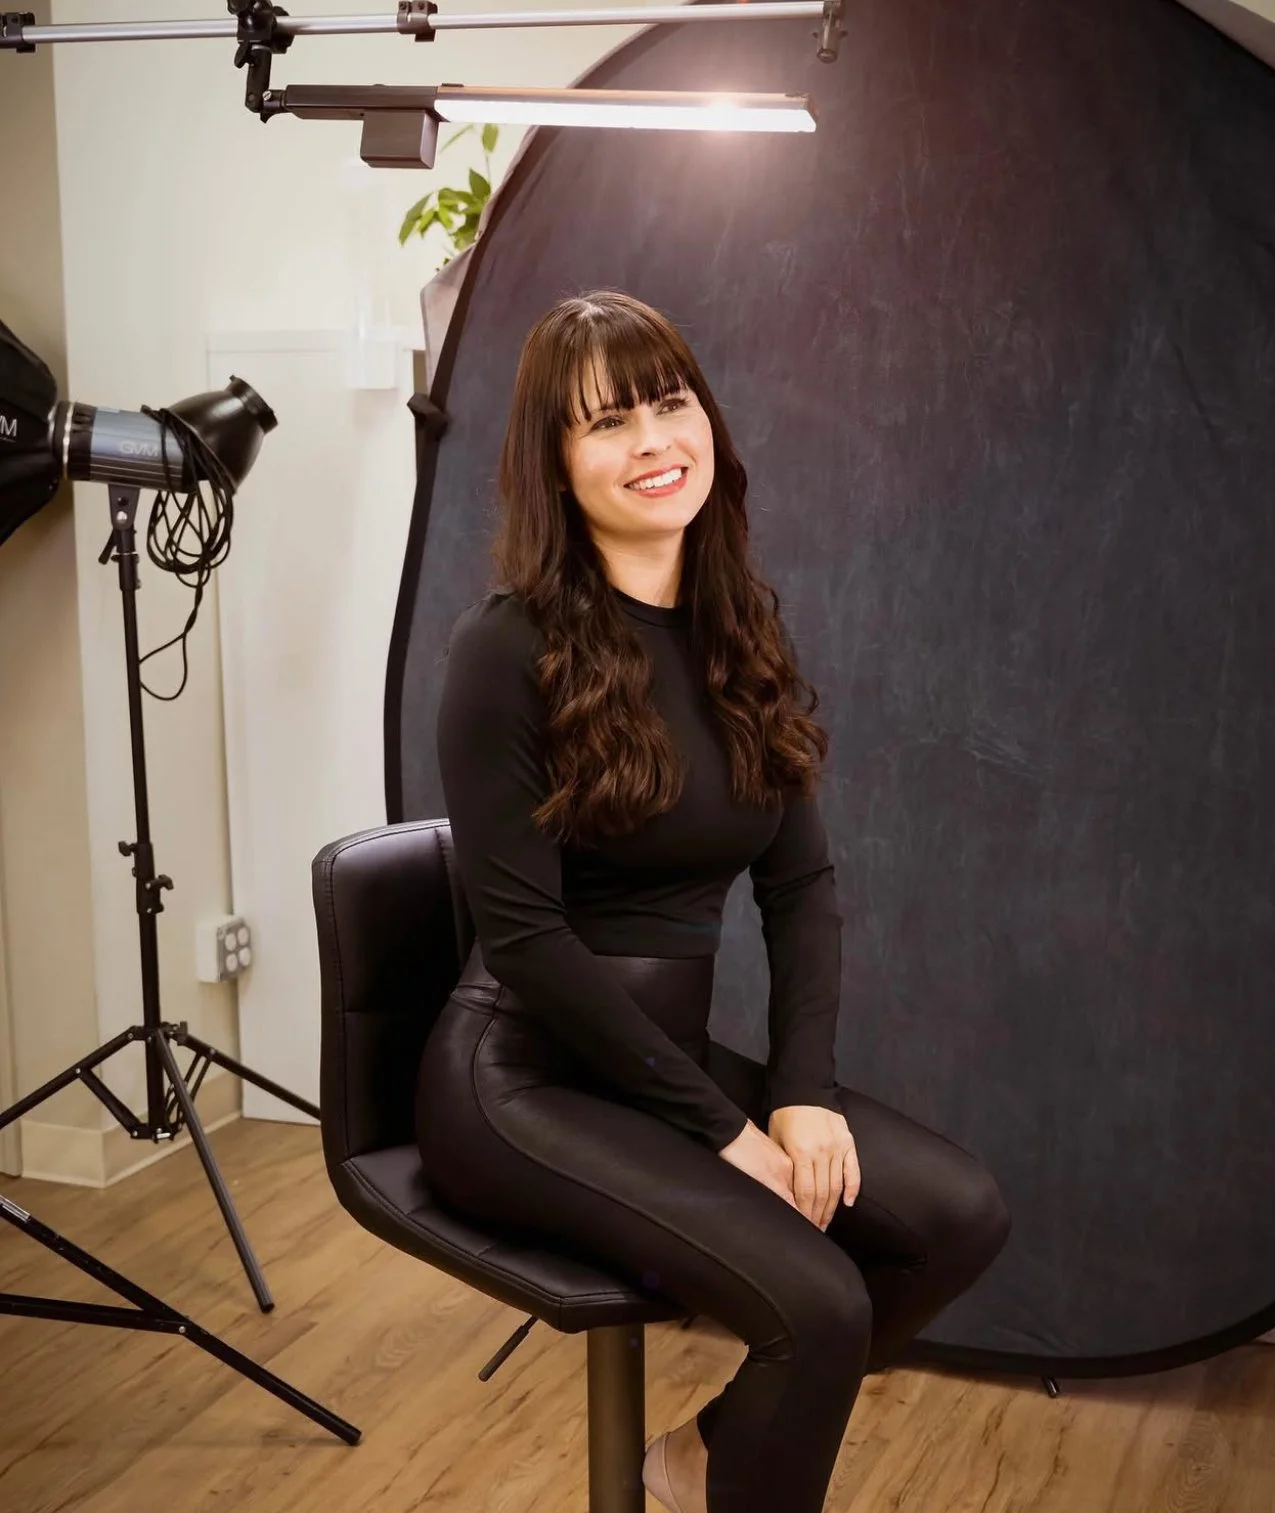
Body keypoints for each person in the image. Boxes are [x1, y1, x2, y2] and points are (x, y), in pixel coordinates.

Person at [415, 290, 1010, 1513]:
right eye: (604, 425)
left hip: (657, 1066)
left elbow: (801, 888)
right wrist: (726, 1133)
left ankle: (702, 1464)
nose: (651, 443)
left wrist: (798, 1092)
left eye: (667, 403)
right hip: (519, 1078)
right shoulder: (505, 648)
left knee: (955, 1217)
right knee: (820, 1299)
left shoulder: (739, 625)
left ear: (708, 424)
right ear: (554, 466)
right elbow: (526, 944)